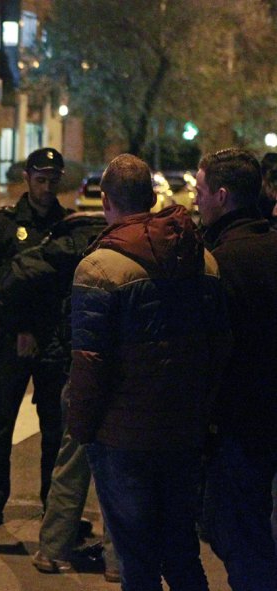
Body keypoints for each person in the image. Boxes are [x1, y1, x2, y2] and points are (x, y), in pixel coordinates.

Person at [66, 153, 230, 591]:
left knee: (136, 561)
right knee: (181, 553)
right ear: (153, 197)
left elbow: (89, 366)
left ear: (106, 201)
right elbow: (218, 349)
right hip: (184, 432)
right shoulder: (203, 260)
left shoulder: (99, 268)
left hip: (123, 439)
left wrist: (81, 429)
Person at [0, 210, 120, 581]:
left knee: (71, 461)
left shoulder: (66, 245)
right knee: (117, 469)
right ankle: (117, 561)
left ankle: (52, 550)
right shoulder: (134, 244)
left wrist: (24, 323)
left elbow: (16, 276)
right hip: (125, 369)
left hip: (78, 365)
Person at [0, 147, 72, 532]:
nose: (46, 186)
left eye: (53, 180)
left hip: (53, 341)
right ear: (27, 178)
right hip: (10, 339)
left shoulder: (66, 225)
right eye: (40, 179)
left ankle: (54, 509)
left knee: (55, 429)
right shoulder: (1, 224)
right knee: (0, 424)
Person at [196, 148, 277, 590]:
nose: (195, 197)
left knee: (238, 535)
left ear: (222, 196)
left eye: (200, 189)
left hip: (240, 424)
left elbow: (209, 351)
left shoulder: (218, 262)